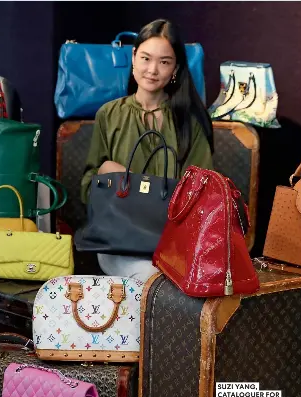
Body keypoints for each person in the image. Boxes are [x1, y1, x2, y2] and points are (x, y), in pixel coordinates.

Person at [80, 19, 214, 282]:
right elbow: (86, 188)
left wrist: (131, 180)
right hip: (119, 242)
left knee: (164, 277)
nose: (152, 70)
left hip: (172, 242)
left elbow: (200, 193)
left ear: (175, 68)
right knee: (151, 278)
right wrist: (107, 175)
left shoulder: (190, 121)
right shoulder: (109, 115)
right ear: (133, 57)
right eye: (145, 58)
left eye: (164, 62)